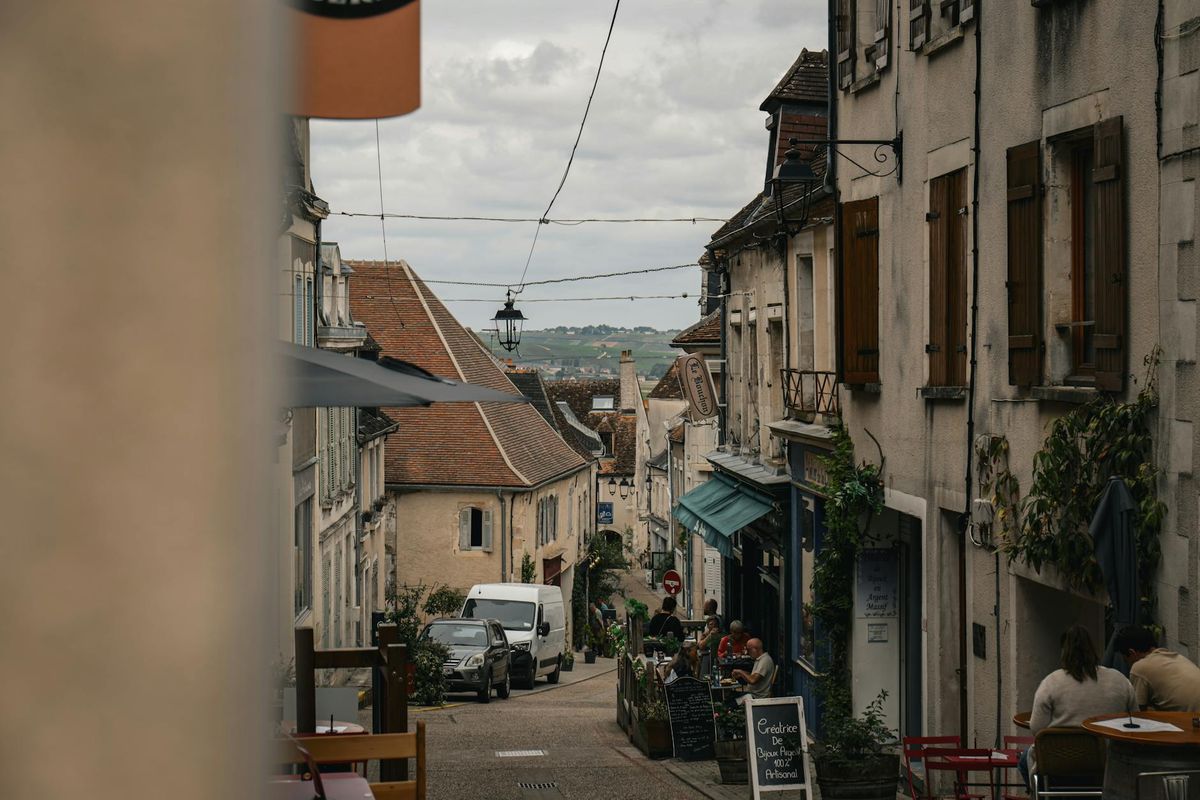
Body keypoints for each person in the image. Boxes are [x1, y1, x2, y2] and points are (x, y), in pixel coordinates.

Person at [1019, 625, 1136, 787]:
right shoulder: (1120, 681)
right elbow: (1136, 720)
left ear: (1063, 652)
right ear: (1093, 649)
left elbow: (1037, 728)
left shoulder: (1051, 682)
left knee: (1023, 760)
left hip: (1058, 763)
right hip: (1105, 763)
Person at [1114, 625, 1200, 712]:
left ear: (1132, 652)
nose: (1128, 664)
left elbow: (1138, 712)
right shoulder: (1177, 657)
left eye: (1126, 660)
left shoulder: (1140, 667)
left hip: (1191, 720)